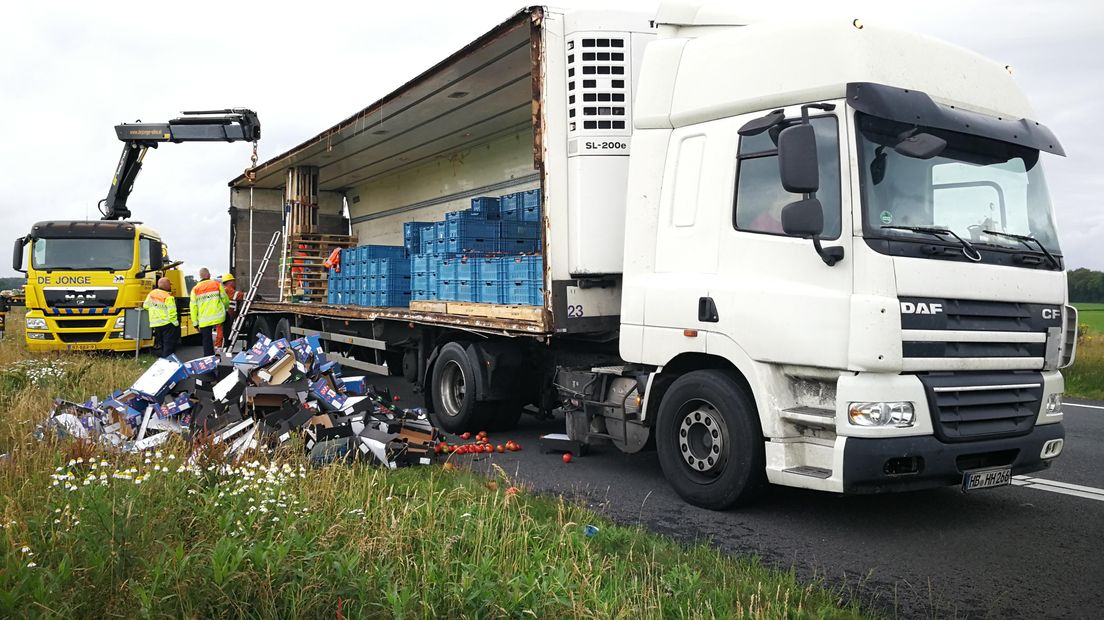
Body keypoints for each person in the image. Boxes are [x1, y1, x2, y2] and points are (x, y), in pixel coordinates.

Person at [189, 268, 230, 356]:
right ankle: (227, 348)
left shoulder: (195, 289)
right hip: (219, 316)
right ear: (208, 275)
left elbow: (193, 307)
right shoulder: (217, 284)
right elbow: (225, 300)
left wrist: (195, 323)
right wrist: (225, 308)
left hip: (204, 320)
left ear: (200, 276)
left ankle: (208, 359)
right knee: (226, 330)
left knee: (206, 341)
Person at [143, 277, 179, 358]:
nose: (170, 286)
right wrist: (175, 324)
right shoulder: (168, 296)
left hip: (155, 324)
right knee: (168, 345)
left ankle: (162, 361)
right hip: (167, 323)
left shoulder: (151, 294)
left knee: (161, 344)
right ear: (166, 285)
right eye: (169, 284)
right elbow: (172, 312)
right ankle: (168, 362)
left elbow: (145, 306)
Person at [215, 273, 246, 348]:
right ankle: (219, 348)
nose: (234, 283)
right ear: (230, 282)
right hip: (225, 316)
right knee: (221, 332)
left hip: (226, 315)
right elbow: (238, 295)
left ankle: (221, 347)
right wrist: (248, 295)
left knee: (223, 331)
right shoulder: (227, 289)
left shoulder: (225, 289)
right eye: (233, 281)